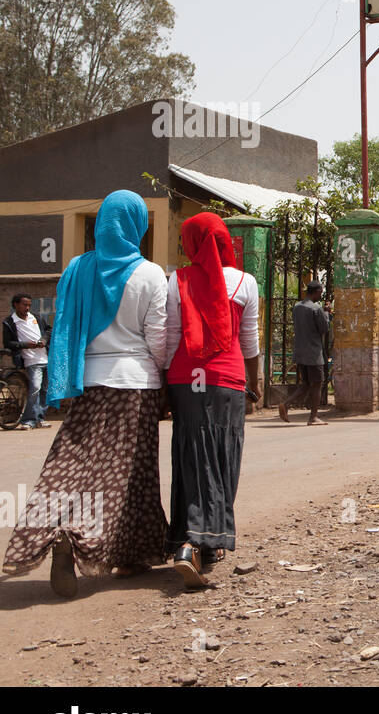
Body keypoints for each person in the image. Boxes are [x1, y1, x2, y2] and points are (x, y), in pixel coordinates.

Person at [2, 190, 169, 597]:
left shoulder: (76, 268)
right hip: (135, 384)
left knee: (70, 462)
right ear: (135, 225)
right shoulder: (149, 274)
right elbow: (159, 338)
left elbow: (63, 326)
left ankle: (66, 532)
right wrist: (164, 378)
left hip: (86, 382)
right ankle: (87, 538)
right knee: (127, 474)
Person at [164, 212, 261, 589]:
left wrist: (164, 384)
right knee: (222, 456)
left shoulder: (178, 279)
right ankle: (202, 543)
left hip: (187, 378)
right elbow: (250, 341)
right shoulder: (245, 282)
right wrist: (254, 383)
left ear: (190, 243)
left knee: (192, 454)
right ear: (224, 242)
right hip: (226, 378)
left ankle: (189, 540)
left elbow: (172, 337)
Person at [278, 280, 330, 426]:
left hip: (300, 351)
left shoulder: (297, 307)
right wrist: (326, 313)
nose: (321, 295)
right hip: (314, 352)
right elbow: (324, 328)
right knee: (318, 383)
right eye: (321, 292)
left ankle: (286, 404)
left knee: (306, 383)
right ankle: (313, 417)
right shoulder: (316, 309)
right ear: (317, 292)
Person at [4, 293, 52, 429]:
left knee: (45, 390)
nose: (27, 307)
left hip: (45, 358)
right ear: (16, 305)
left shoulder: (36, 317)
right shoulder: (10, 322)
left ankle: (40, 418)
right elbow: (8, 343)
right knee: (35, 388)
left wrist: (43, 340)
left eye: (29, 305)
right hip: (30, 359)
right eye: (24, 304)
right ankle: (28, 420)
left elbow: (49, 330)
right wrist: (26, 345)